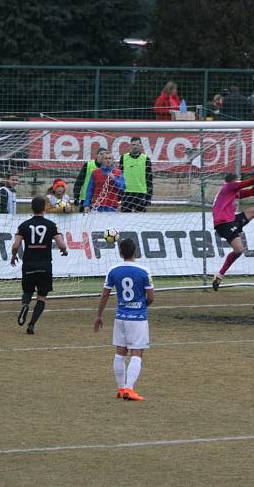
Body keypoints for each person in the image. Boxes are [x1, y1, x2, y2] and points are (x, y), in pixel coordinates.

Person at [93, 238, 155, 401]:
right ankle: (129, 388)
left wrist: (99, 315)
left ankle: (121, 388)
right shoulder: (144, 271)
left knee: (120, 352)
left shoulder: (113, 270)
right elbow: (151, 297)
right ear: (135, 251)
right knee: (137, 352)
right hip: (138, 318)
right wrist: (140, 306)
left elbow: (105, 294)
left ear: (120, 253)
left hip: (120, 317)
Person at [11, 196, 68, 335]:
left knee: (27, 292)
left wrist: (13, 256)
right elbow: (61, 244)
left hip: (29, 264)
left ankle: (25, 306)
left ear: (32, 208)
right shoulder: (51, 225)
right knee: (42, 296)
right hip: (45, 264)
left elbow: (16, 246)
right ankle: (31, 324)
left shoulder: (23, 225)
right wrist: (64, 251)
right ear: (44, 208)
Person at [119, 137, 153, 213]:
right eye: (133, 145)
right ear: (130, 145)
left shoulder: (146, 159)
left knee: (140, 220)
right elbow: (120, 176)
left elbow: (149, 179)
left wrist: (149, 196)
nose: (135, 147)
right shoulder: (123, 158)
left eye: (137, 145)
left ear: (140, 145)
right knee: (124, 219)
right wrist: (119, 193)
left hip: (141, 193)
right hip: (126, 193)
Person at [73, 147, 106, 211]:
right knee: (83, 220)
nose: (102, 156)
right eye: (101, 154)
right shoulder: (88, 165)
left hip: (100, 199)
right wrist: (76, 196)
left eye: (104, 154)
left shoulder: (108, 168)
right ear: (97, 155)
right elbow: (79, 181)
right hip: (85, 198)